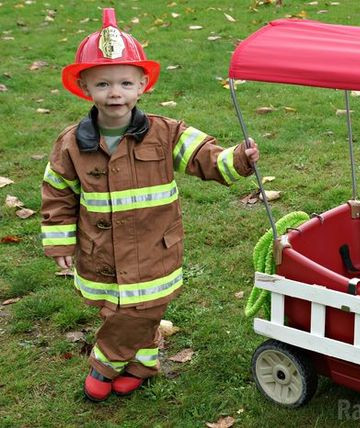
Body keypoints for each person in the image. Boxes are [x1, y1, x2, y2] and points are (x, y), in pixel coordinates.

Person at [40, 8, 259, 402]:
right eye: (103, 83)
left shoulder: (165, 132)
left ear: (142, 84)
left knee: (144, 305)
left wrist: (238, 158)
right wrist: (60, 242)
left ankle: (104, 364)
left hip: (154, 247)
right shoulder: (71, 143)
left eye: (125, 82)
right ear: (84, 87)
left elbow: (204, 157)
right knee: (116, 308)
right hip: (100, 250)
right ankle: (142, 363)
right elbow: (57, 192)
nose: (115, 93)